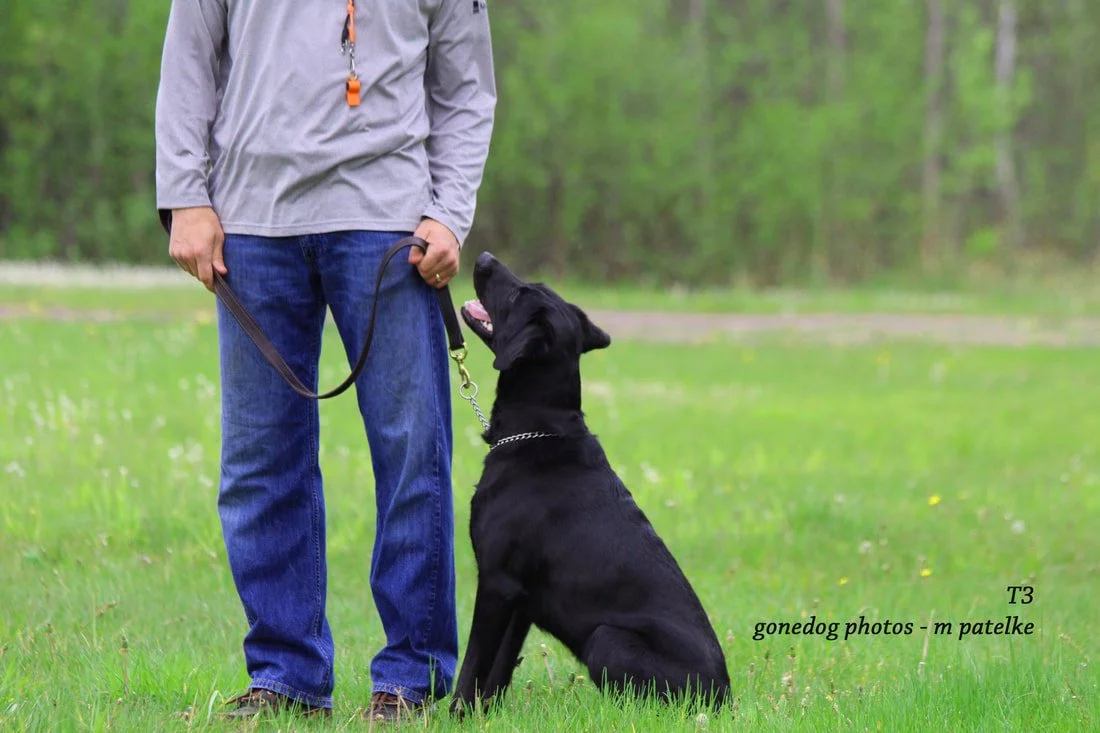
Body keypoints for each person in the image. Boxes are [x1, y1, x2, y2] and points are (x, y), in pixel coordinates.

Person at [153, 0, 496, 722]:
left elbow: (466, 87)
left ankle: (411, 678)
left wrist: (448, 211)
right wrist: (184, 193)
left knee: (412, 455)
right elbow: (190, 57)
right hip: (252, 224)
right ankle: (286, 676)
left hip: (389, 225)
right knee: (258, 462)